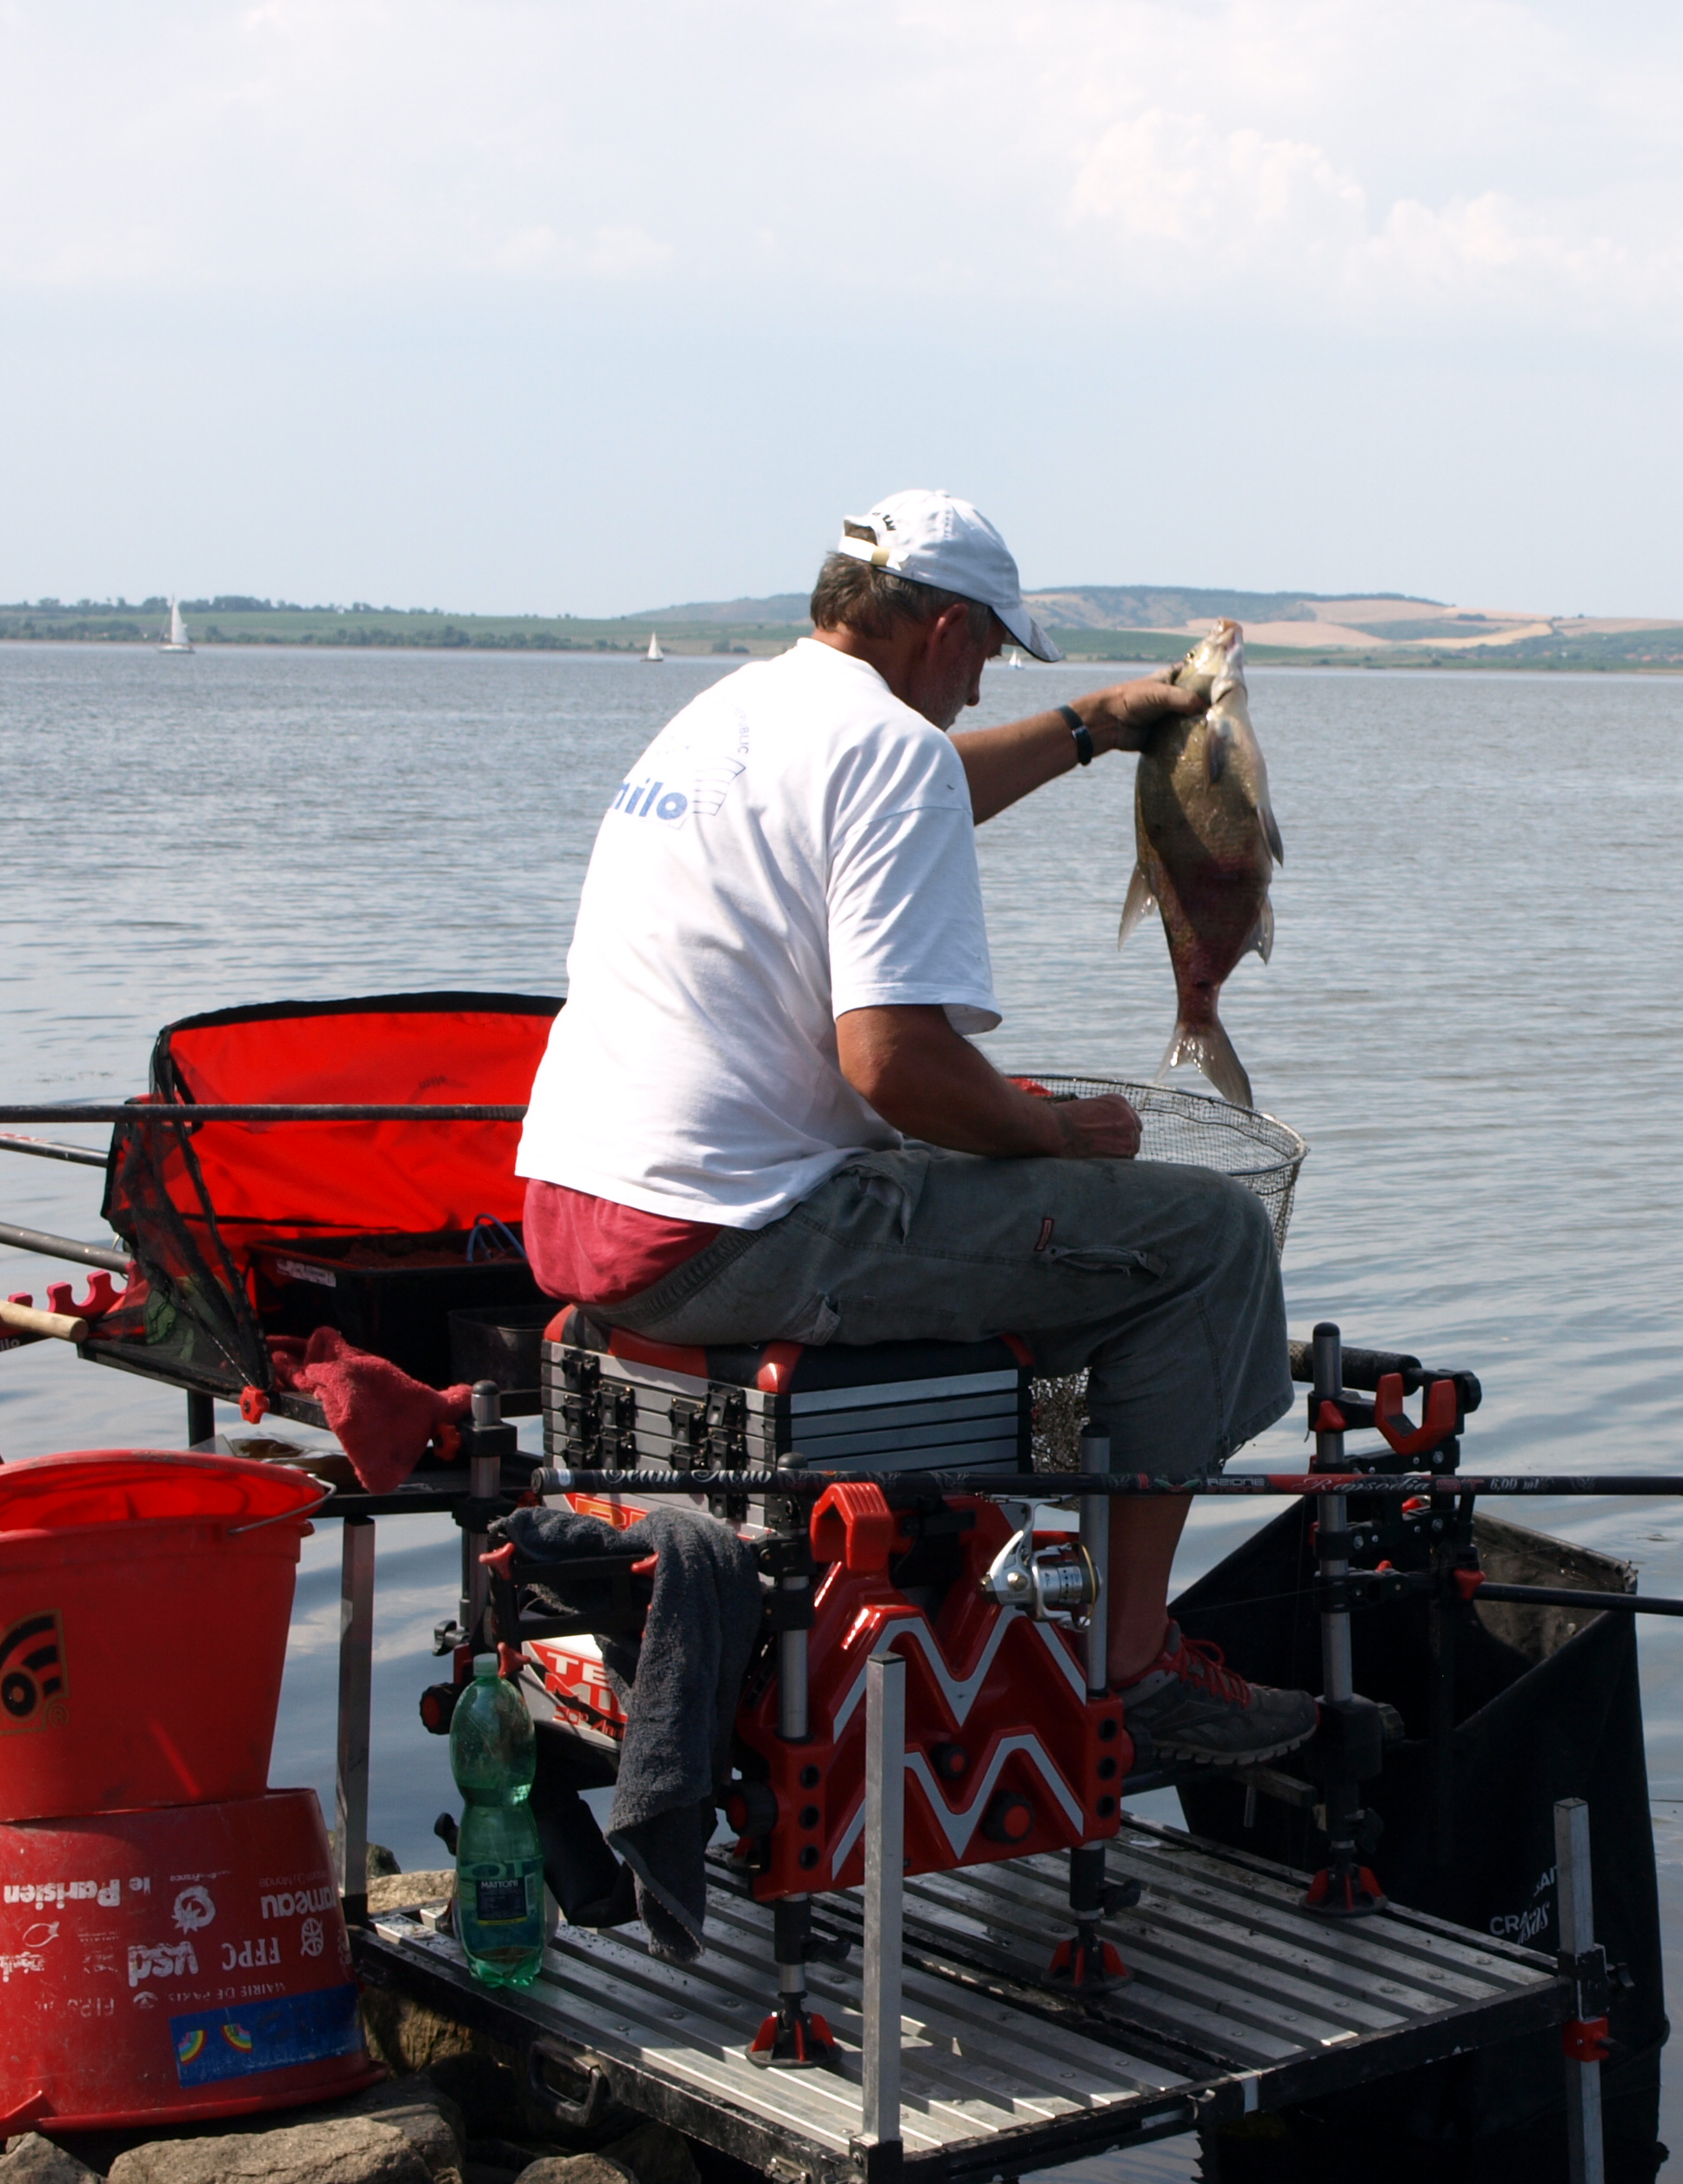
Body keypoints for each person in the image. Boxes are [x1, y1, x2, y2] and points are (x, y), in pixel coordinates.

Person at [515, 489, 1315, 1766]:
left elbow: (923, 784)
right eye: (990, 649)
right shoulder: (884, 751)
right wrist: (1049, 1139)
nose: (987, 673)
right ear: (944, 628)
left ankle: (1025, 1559)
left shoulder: (729, 715)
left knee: (1006, 1158)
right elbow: (893, 1064)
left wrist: (1093, 730)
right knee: (1209, 1239)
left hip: (573, 1208)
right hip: (732, 1233)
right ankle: (1135, 1665)